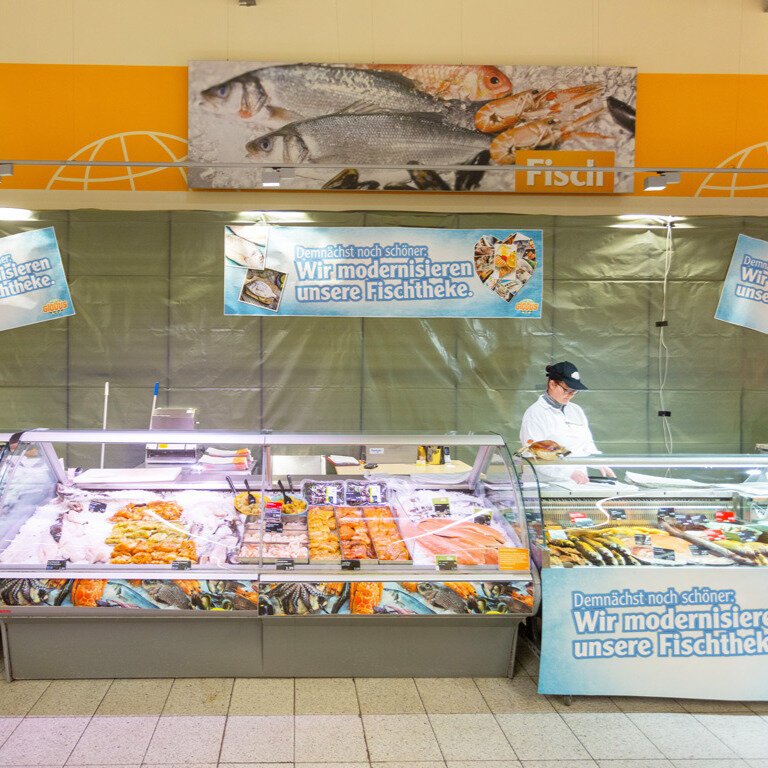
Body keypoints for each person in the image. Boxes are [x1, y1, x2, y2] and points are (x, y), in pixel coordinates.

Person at [519, 361, 615, 484]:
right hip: (547, 485)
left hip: (577, 484)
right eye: (567, 390)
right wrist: (569, 473)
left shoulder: (576, 410)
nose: (570, 395)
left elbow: (587, 445)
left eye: (574, 391)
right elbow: (534, 455)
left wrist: (598, 462)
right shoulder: (535, 414)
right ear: (552, 384)